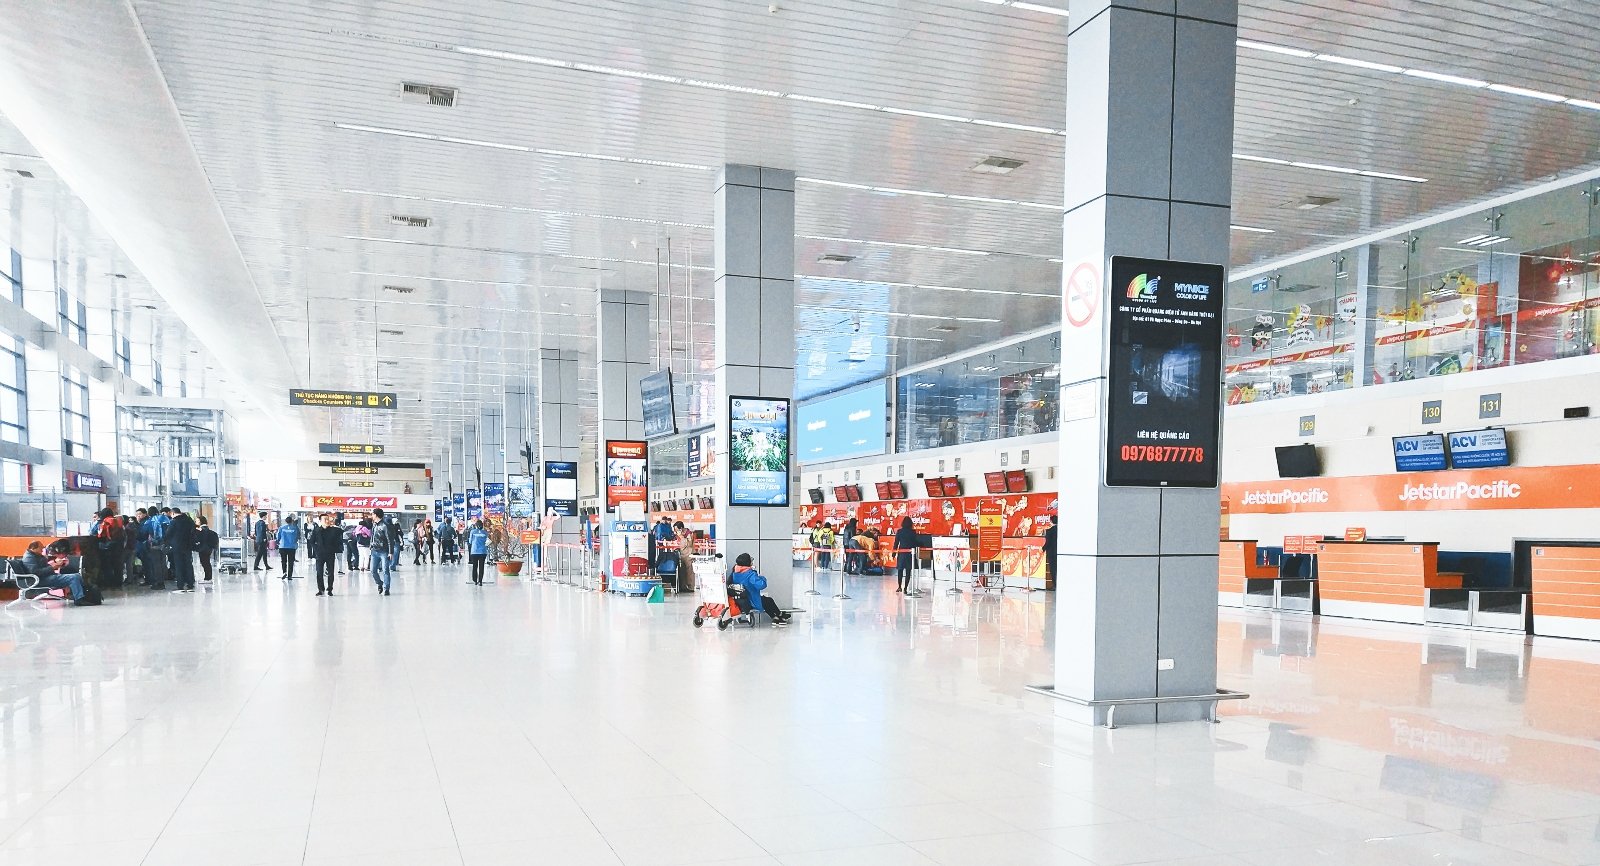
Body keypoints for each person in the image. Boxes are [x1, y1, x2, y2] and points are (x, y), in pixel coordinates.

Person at [728, 553, 790, 626]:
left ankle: (775, 617)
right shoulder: (750, 574)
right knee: (769, 601)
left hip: (740, 601)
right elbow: (761, 585)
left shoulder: (734, 573)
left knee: (765, 601)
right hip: (751, 600)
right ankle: (779, 614)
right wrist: (761, 577)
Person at [310, 512, 344, 596]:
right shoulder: (317, 530)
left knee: (331, 572)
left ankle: (330, 589)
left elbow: (341, 533)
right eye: (325, 519)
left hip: (330, 554)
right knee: (319, 572)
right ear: (320, 521)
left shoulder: (334, 530)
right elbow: (312, 541)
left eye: (328, 519)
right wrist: (316, 549)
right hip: (320, 554)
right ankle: (321, 589)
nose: (327, 521)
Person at [167, 508, 197, 592]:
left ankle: (180, 585)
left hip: (177, 547)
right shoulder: (189, 521)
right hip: (188, 546)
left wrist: (168, 542)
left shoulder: (174, 522)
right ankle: (190, 584)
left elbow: (168, 534)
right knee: (188, 564)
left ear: (173, 513)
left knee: (179, 565)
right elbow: (194, 532)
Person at [892, 517, 924, 595]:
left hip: (902, 553)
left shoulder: (899, 531)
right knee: (908, 571)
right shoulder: (912, 532)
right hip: (910, 553)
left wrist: (894, 553)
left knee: (900, 570)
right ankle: (905, 588)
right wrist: (921, 544)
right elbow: (914, 542)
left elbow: (896, 543)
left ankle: (899, 586)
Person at [95, 506, 124, 588]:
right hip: (119, 546)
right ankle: (118, 583)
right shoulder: (118, 521)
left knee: (108, 566)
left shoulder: (105, 521)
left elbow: (100, 534)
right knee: (117, 565)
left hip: (109, 546)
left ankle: (109, 583)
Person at [369, 508, 396, 595]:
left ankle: (386, 588)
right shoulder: (374, 525)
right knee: (373, 570)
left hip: (384, 551)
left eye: (372, 514)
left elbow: (390, 539)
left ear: (376, 515)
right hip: (374, 551)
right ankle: (379, 583)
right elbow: (372, 536)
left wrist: (390, 552)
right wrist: (371, 545)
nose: (372, 516)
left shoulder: (385, 525)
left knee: (385, 570)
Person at [673, 521, 697, 592]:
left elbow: (689, 544)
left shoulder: (689, 533)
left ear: (681, 528)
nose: (676, 531)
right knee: (682, 571)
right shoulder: (679, 535)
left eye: (677, 529)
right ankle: (682, 586)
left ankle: (690, 587)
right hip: (682, 554)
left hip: (689, 554)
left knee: (689, 571)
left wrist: (681, 537)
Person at [276, 514, 301, 580]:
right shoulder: (295, 528)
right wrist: (295, 541)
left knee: (283, 561)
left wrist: (277, 542)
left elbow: (278, 536)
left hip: (283, 546)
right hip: (292, 547)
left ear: (285, 521)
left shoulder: (281, 528)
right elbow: (298, 536)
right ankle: (290, 576)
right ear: (292, 521)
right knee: (291, 561)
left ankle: (284, 572)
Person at [195, 516, 219, 583]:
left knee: (205, 563)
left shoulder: (201, 530)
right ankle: (208, 578)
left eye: (197, 520)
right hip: (209, 548)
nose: (196, 522)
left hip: (203, 548)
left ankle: (208, 578)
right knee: (206, 562)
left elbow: (199, 539)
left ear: (200, 521)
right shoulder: (208, 530)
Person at [466, 519, 490, 585]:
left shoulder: (472, 532)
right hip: (483, 552)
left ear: (476, 526)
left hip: (474, 551)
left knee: (475, 566)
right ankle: (480, 581)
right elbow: (488, 542)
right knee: (481, 566)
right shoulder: (485, 532)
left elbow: (470, 541)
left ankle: (475, 580)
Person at [1041, 518, 1057, 591]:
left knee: (1053, 570)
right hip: (1060, 554)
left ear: (1051, 522)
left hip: (1052, 553)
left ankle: (1055, 585)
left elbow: (1048, 543)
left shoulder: (1049, 531)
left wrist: (1043, 549)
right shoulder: (1062, 530)